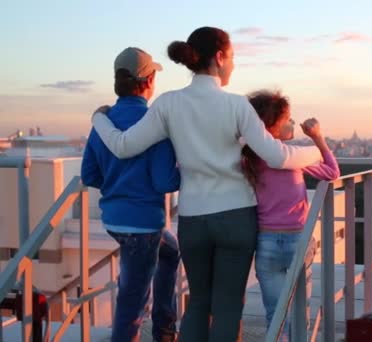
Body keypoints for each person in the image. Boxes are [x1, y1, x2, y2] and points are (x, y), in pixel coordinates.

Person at [90, 27, 323, 341]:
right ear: (220, 57)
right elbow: (277, 155)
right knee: (227, 306)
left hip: (193, 219)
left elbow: (121, 146)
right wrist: (317, 149)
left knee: (198, 303)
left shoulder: (169, 104)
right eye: (233, 58)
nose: (233, 65)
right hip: (236, 217)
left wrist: (98, 120)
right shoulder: (236, 105)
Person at [81, 47, 181, 342]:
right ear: (148, 81)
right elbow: (165, 182)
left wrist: (118, 185)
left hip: (114, 220)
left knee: (171, 251)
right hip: (143, 225)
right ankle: (161, 329)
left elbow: (90, 175)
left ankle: (165, 328)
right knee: (132, 304)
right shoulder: (155, 122)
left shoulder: (104, 121)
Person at [241, 90, 340, 340]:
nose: (293, 123)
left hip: (266, 241)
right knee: (299, 314)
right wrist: (317, 137)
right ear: (273, 125)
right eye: (288, 119)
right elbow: (332, 172)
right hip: (298, 238)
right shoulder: (292, 157)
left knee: (275, 314)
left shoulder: (250, 159)